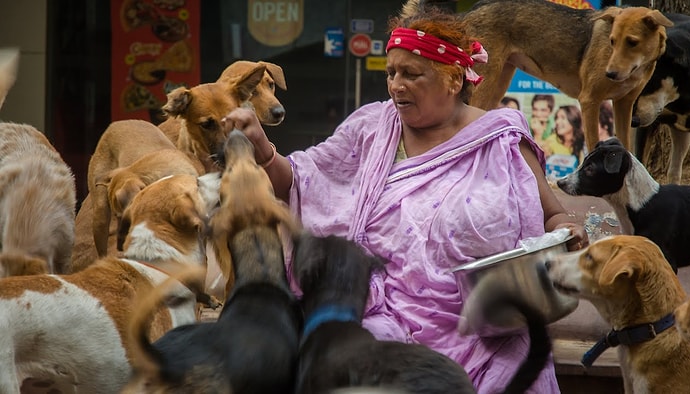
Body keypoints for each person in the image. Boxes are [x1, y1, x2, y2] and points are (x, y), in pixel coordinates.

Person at [224, 6, 588, 393]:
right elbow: (301, 181)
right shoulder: (370, 128)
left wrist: (565, 230)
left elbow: (551, 214)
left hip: (487, 327)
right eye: (392, 73)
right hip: (379, 319)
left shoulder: (501, 138)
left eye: (411, 74)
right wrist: (262, 147)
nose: (397, 85)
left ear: (452, 79)